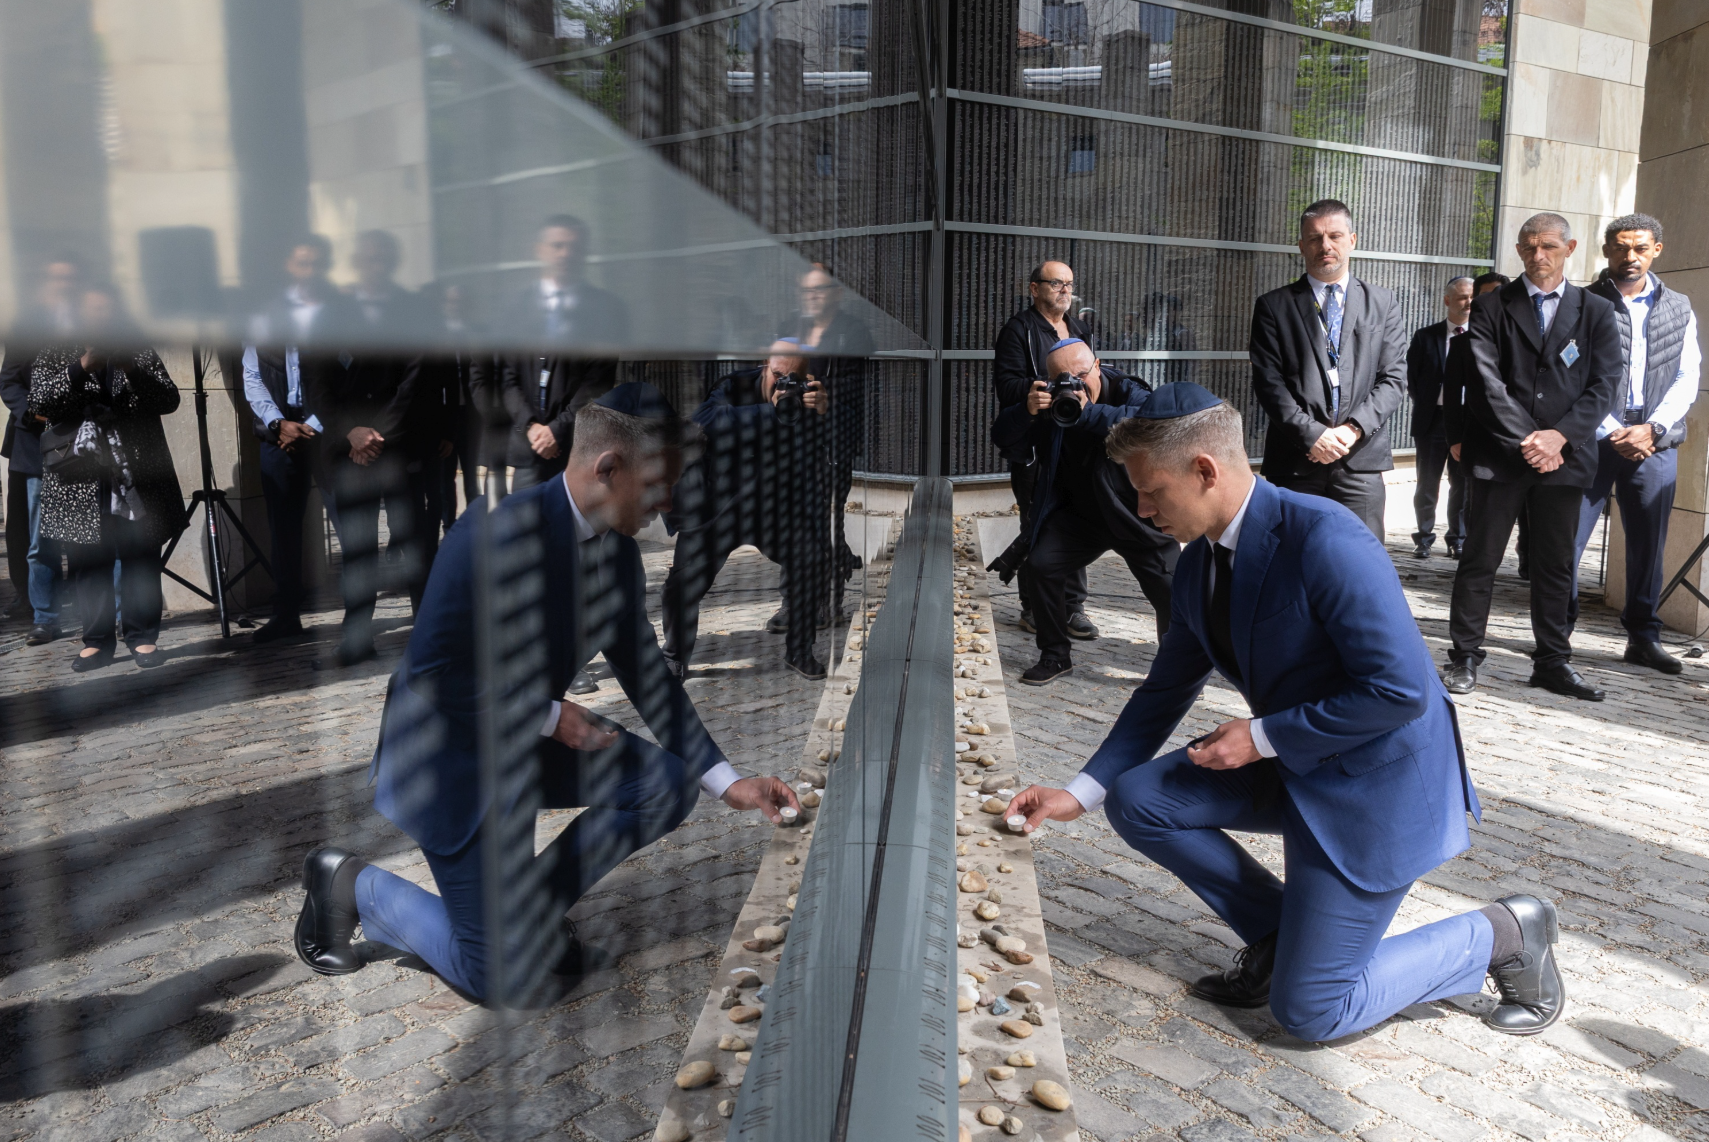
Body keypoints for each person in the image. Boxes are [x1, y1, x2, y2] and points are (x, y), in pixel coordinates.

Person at [1007, 384, 1564, 1041]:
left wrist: (1262, 736)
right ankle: (1281, 938)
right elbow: (1161, 692)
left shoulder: (1326, 537)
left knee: (1313, 1012)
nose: (1141, 508)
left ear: (1205, 471)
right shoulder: (1198, 562)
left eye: (1151, 491)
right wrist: (1077, 794)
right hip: (1299, 765)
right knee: (1137, 799)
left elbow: (1399, 692)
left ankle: (1504, 932)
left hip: (1374, 790)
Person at [293, 384, 799, 1000]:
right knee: (499, 977)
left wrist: (728, 782)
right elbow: (432, 673)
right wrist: (550, 716)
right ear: (607, 468)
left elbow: (647, 673)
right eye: (658, 483)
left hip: (523, 747)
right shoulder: (490, 534)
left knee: (665, 785)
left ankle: (524, 916)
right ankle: (349, 883)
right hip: (449, 760)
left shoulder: (618, 555)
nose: (670, 501)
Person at [1443, 213, 1622, 701]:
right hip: (1500, 455)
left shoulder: (1596, 310)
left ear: (1570, 248)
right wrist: (1531, 440)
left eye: (1548, 246)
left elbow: (1606, 384)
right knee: (1480, 558)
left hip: (1566, 458)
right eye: (1528, 247)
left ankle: (1552, 661)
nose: (1537, 255)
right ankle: (1464, 655)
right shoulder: (1491, 306)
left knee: (1555, 564)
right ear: (1519, 250)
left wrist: (1560, 438)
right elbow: (1484, 381)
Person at [992, 338, 1176, 685]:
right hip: (1080, 516)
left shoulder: (1126, 389)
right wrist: (1025, 411)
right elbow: (1003, 437)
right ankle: (1054, 656)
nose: (1074, 384)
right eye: (1063, 378)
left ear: (1098, 365)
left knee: (1172, 589)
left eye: (1081, 375)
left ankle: (1174, 672)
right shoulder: (1050, 402)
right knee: (1041, 564)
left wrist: (1087, 412)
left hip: (1135, 514)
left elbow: (1149, 423)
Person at [1569, 214, 1699, 675]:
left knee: (1648, 547)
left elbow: (1687, 376)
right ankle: (1556, 635)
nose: (1630, 256)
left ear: (1656, 250)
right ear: (1607, 250)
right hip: (1590, 439)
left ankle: (1643, 638)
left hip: (1653, 443)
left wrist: (1653, 429)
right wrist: (1610, 430)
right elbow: (1571, 374)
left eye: (1640, 248)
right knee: (1566, 542)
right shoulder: (1580, 303)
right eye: (1621, 247)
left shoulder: (1678, 306)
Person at [29, 285, 184, 671]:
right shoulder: (56, 349)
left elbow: (169, 400)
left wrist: (132, 369)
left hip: (135, 473)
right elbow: (39, 404)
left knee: (140, 555)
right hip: (79, 475)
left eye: (107, 311)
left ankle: (142, 636)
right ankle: (97, 641)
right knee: (88, 559)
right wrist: (81, 366)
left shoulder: (137, 349)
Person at [662, 340, 833, 680]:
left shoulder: (808, 396)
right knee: (683, 583)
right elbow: (706, 421)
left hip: (772, 504)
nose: (783, 384)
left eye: (792, 378)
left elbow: (820, 450)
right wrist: (771, 410)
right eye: (777, 375)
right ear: (765, 365)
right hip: (717, 505)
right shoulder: (733, 385)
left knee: (811, 559)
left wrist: (823, 413)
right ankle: (674, 655)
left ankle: (800, 650)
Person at [311, 231, 442, 666]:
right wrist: (349, 433)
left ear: (392, 262)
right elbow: (317, 382)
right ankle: (356, 639)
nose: (374, 265)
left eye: (382, 258)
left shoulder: (415, 311)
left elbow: (416, 382)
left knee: (415, 545)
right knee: (358, 551)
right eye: (367, 258)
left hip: (400, 450)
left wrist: (376, 436)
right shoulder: (332, 313)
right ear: (356, 262)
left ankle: (428, 637)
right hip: (349, 455)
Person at [1248, 199, 1407, 539]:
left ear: (1352, 240)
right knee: (1292, 555)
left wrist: (1353, 429)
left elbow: (1393, 379)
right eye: (1315, 238)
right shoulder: (1273, 306)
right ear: (1301, 245)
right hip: (1296, 460)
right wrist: (1313, 435)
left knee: (1360, 559)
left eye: (1334, 236)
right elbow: (1269, 383)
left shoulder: (1383, 303)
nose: (1325, 246)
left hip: (1360, 459)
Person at [241, 235, 359, 644]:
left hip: (328, 434)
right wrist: (278, 424)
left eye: (316, 263)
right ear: (288, 267)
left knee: (349, 526)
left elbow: (351, 376)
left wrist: (314, 425)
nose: (309, 271)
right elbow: (252, 377)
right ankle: (286, 615)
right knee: (284, 532)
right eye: (301, 263)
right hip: (279, 436)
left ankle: (357, 619)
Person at [479, 215, 630, 493]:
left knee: (573, 520)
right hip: (528, 449)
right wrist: (533, 428)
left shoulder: (605, 310)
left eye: (574, 247)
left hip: (577, 449)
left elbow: (597, 383)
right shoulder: (515, 309)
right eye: (557, 246)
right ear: (539, 250)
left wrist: (556, 431)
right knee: (524, 518)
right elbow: (508, 378)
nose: (565, 254)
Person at [993, 261, 1094, 639]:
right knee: (1037, 526)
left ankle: (1073, 607)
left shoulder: (1080, 329)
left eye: (1069, 284)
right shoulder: (1018, 330)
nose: (1065, 290)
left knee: (1078, 519)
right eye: (1056, 283)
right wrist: (1039, 390)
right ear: (1034, 288)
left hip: (1074, 441)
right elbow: (1006, 387)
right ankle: (1033, 607)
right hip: (1035, 445)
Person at [2, 254, 82, 641]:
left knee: (86, 534)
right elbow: (9, 381)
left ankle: (92, 608)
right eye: (56, 279)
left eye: (69, 279)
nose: (62, 286)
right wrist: (32, 414)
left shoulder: (92, 324)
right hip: (36, 445)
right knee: (39, 538)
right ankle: (45, 616)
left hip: (83, 442)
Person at [788, 263, 872, 622]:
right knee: (797, 518)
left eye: (819, 290)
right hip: (795, 439)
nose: (811, 297)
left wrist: (825, 396)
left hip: (835, 440)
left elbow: (862, 388)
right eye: (806, 290)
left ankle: (826, 601)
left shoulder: (854, 332)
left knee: (824, 517)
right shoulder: (791, 328)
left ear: (836, 293)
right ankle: (795, 600)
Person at [1407, 277, 1475, 559]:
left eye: (1471, 297)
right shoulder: (1426, 336)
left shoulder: (1482, 336)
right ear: (1447, 300)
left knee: (1461, 485)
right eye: (1462, 297)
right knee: (1427, 483)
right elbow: (1412, 378)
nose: (1468, 302)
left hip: (1466, 422)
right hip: (1433, 420)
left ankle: (1457, 539)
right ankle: (1423, 538)